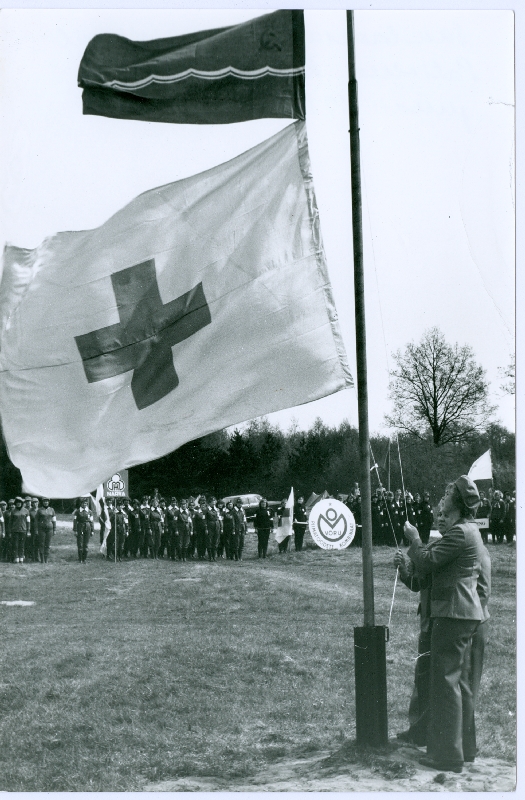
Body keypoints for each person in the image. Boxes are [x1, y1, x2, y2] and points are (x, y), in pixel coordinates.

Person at [403, 475, 485, 773]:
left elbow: (426, 562)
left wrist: (414, 539)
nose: (444, 496)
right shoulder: (469, 531)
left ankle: (448, 756)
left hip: (452, 614)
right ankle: (465, 749)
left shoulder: (459, 533)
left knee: (445, 684)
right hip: (463, 614)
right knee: (459, 683)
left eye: (449, 493)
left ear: (458, 503)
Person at [73, 497, 94, 563]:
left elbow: (91, 521)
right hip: (80, 527)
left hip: (87, 527)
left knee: (86, 544)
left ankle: (84, 558)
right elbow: (75, 521)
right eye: (83, 503)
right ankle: (80, 559)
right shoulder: (77, 511)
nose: (84, 504)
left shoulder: (90, 512)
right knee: (80, 543)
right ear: (80, 504)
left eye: (86, 503)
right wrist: (75, 530)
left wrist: (92, 530)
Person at [10, 496, 31, 564]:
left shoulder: (26, 511)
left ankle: (21, 558)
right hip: (15, 530)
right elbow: (10, 522)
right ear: (15, 503)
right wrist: (10, 531)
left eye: (20, 502)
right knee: (15, 545)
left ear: (22, 503)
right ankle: (16, 558)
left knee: (22, 545)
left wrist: (28, 531)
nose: (18, 504)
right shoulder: (13, 511)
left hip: (23, 530)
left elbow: (28, 521)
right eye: (17, 503)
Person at [36, 497, 56, 563]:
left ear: (48, 502)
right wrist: (36, 529)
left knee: (47, 544)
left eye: (47, 501)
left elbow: (54, 520)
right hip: (41, 529)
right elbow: (36, 520)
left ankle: (46, 559)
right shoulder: (39, 510)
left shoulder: (52, 510)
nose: (46, 502)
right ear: (42, 502)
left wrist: (54, 529)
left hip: (49, 529)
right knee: (41, 543)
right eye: (44, 501)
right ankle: (42, 560)